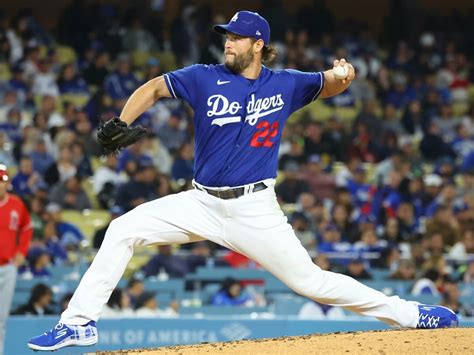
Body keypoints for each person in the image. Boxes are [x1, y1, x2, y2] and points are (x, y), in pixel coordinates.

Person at [28, 11, 458, 352]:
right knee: (122, 229)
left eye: (235, 37)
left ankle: (413, 315)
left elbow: (327, 85)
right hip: (199, 202)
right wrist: (124, 118)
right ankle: (78, 324)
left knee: (312, 283)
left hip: (254, 209)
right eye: (226, 36)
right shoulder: (203, 76)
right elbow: (155, 87)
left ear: (258, 45)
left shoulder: (286, 83)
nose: (227, 42)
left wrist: (345, 77)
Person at [0, 165, 33, 355]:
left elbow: (27, 228)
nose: (0, 185)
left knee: (1, 317)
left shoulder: (16, 204)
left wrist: (22, 251)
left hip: (7, 267)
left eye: (3, 182)